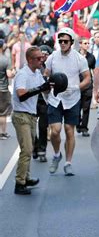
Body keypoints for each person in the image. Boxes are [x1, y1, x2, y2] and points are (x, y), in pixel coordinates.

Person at [45, 28, 91, 176]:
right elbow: (46, 74)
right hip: (56, 98)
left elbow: (87, 79)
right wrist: (48, 84)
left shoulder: (80, 59)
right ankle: (57, 155)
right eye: (60, 41)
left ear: (71, 42)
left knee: (69, 131)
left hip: (72, 98)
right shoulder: (52, 57)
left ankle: (68, 163)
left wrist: (76, 87)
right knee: (55, 130)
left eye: (65, 41)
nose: (63, 43)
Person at [12, 46, 50, 194]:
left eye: (42, 57)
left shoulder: (37, 73)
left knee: (28, 149)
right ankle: (19, 183)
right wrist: (41, 88)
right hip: (21, 115)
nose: (42, 60)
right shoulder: (23, 74)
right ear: (30, 60)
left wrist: (51, 85)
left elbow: (44, 89)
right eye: (38, 58)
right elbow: (21, 94)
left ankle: (25, 178)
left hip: (31, 115)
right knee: (27, 150)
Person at [33, 45, 53, 162]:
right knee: (31, 127)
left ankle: (42, 150)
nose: (44, 56)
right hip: (33, 100)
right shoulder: (34, 66)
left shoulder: (52, 67)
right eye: (42, 54)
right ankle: (35, 146)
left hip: (46, 101)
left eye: (46, 54)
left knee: (43, 126)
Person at [77, 37, 95, 137]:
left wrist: (96, 86)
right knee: (77, 107)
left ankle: (84, 128)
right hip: (77, 85)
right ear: (80, 44)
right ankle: (77, 123)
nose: (87, 45)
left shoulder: (91, 57)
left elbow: (94, 70)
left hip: (88, 85)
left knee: (86, 108)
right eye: (85, 43)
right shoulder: (75, 56)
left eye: (88, 43)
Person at [0, 38, 14, 139]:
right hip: (3, 89)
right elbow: (9, 75)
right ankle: (2, 133)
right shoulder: (5, 59)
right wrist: (13, 72)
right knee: (3, 113)